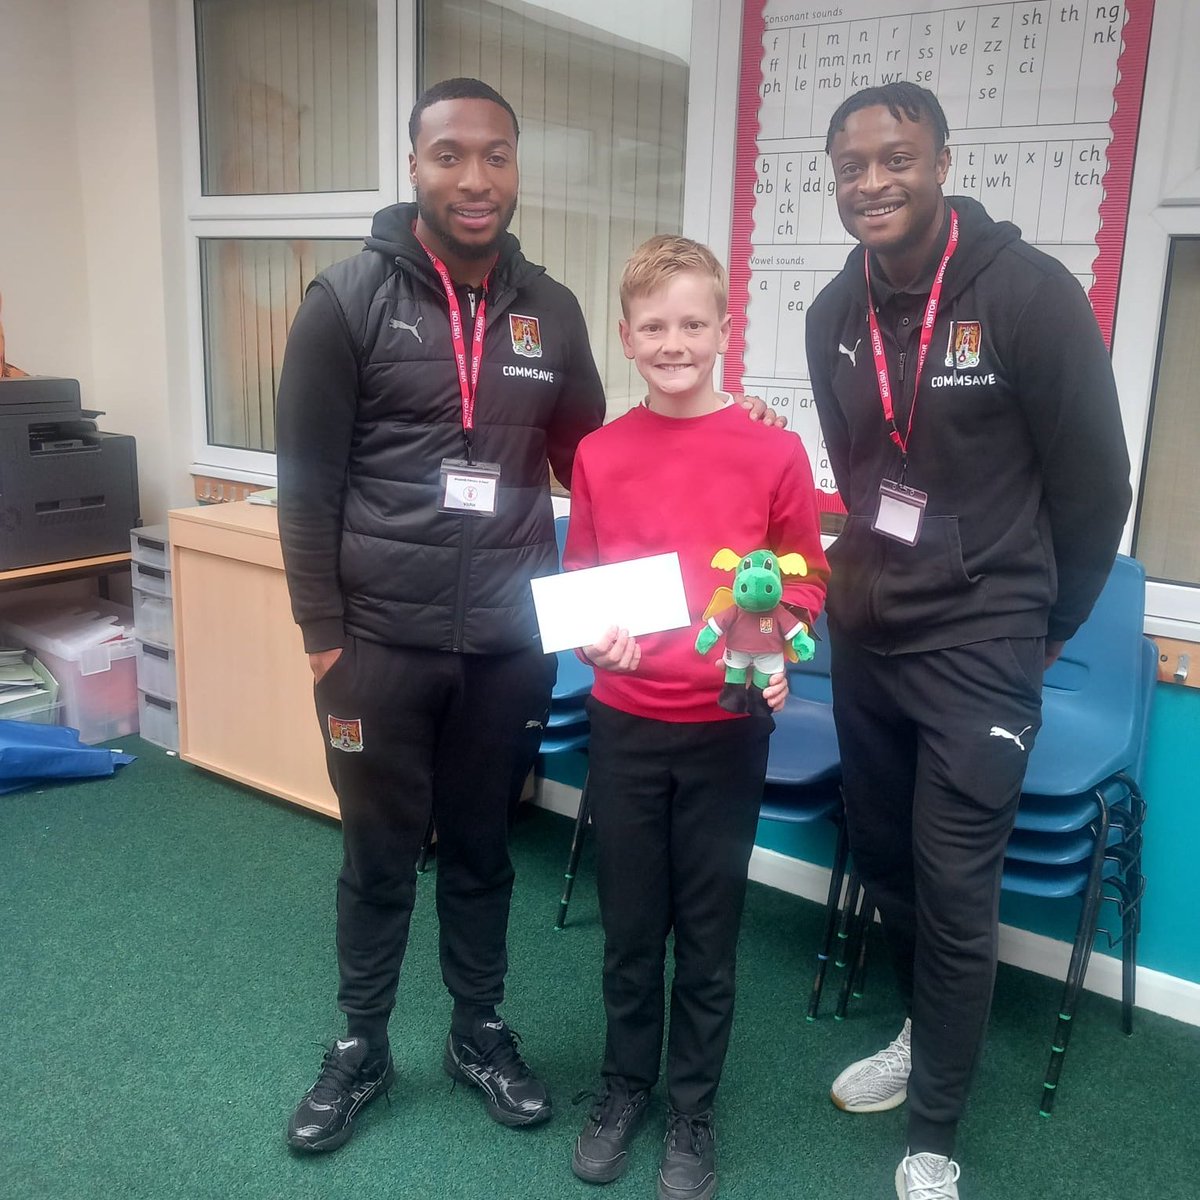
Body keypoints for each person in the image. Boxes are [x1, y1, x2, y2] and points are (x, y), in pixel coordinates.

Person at [275, 77, 784, 1156]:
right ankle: (361, 1046)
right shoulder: (345, 300)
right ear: (415, 165)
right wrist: (325, 637)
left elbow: (604, 458)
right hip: (374, 645)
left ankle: (477, 1030)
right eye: (450, 154)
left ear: (516, 169)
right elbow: (306, 483)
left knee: (481, 850)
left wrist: (738, 423)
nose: (474, 177)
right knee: (375, 853)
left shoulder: (547, 312)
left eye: (496, 156)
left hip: (505, 647)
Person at [804, 82, 1131, 1200]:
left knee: (955, 888)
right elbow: (858, 476)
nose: (872, 183)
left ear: (941, 160)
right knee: (889, 862)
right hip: (868, 638)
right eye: (851, 166)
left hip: (984, 647)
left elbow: (1097, 487)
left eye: (895, 159)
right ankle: (919, 1036)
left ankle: (933, 1132)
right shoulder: (830, 315)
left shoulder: (1031, 297)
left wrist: (1044, 630)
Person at [563, 235, 828, 1200]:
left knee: (707, 933)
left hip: (726, 729)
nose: (675, 342)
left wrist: (779, 645)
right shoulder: (598, 452)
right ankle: (624, 1088)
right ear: (627, 338)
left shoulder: (773, 449)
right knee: (631, 928)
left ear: (724, 329)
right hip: (626, 720)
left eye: (693, 323)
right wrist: (597, 639)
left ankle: (691, 1110)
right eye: (654, 326)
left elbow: (805, 575)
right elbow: (587, 574)